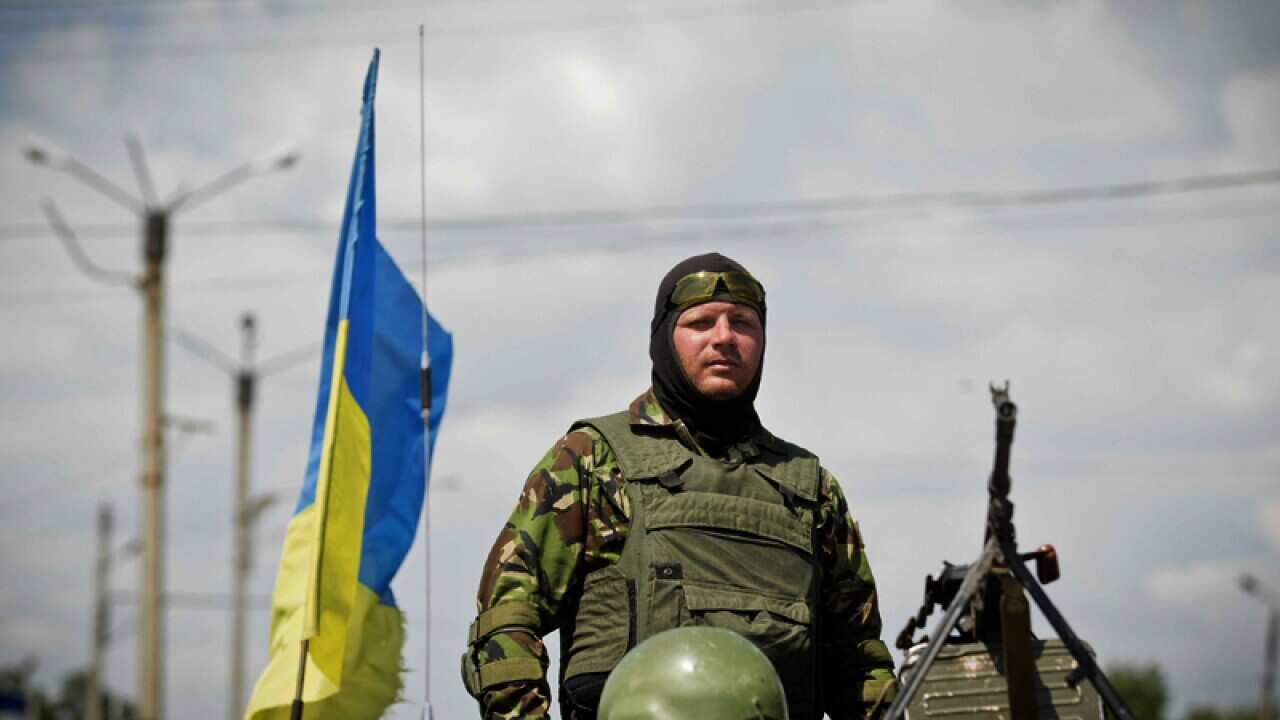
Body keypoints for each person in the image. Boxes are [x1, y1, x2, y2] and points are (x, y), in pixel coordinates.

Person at [461, 253, 897, 719]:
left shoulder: (810, 490)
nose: (724, 338)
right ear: (664, 338)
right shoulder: (592, 460)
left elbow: (861, 664)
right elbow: (506, 619)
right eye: (701, 323)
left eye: (743, 323)